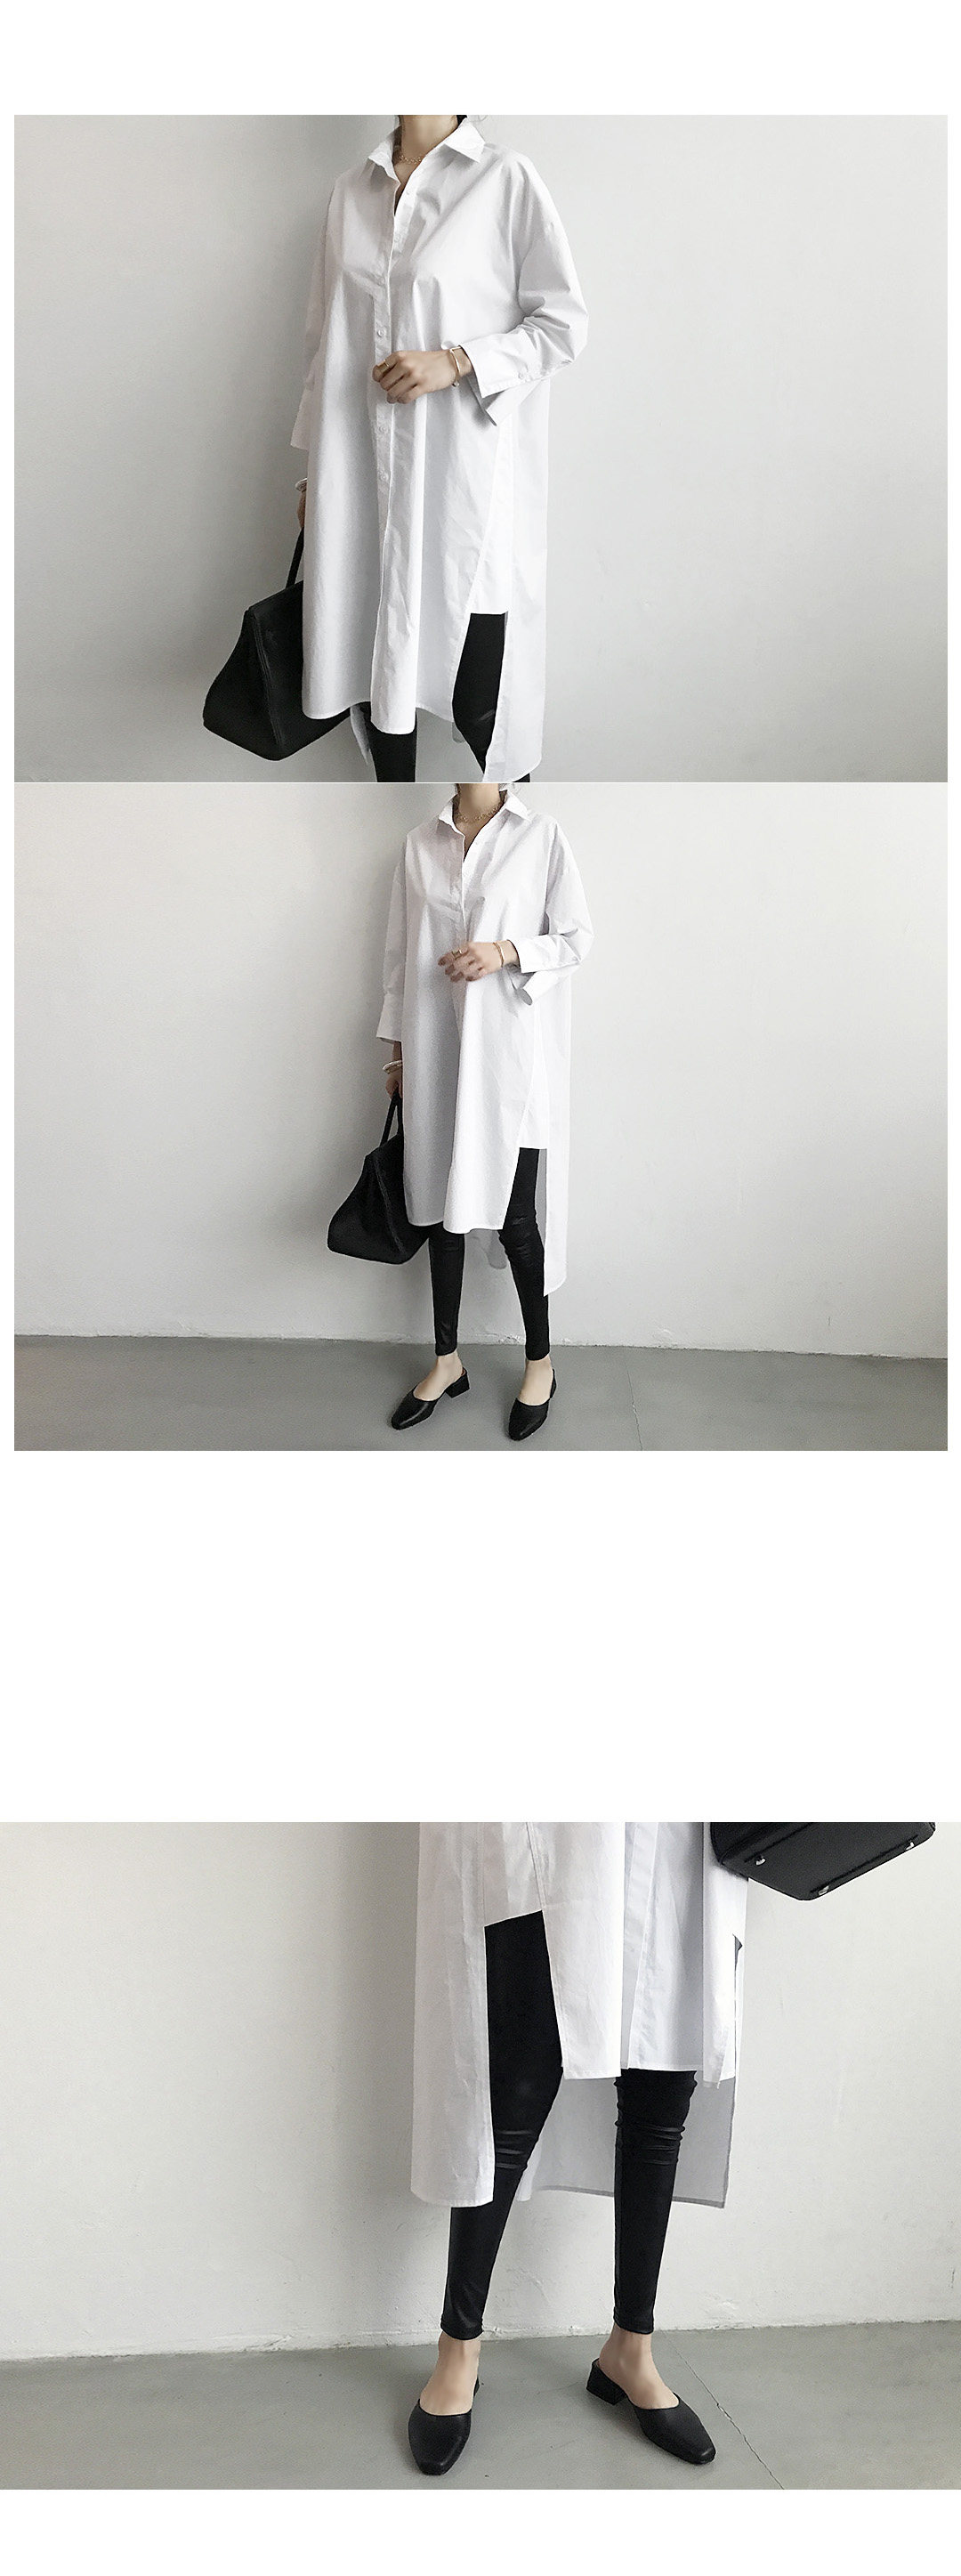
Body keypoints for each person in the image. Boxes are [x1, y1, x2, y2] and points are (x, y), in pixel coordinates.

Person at [407, 1824, 747, 2475]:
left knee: (659, 2095)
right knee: (509, 2097)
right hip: (559, 1833)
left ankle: (631, 2349)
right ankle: (458, 2350)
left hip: (679, 1837)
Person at [292, 117, 586, 782]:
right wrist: (310, 476)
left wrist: (457, 361)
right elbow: (321, 344)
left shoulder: (503, 179)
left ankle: (504, 802)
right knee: (371, 672)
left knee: (481, 687)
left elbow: (563, 325)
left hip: (457, 480)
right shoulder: (350, 191)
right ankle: (385, 801)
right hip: (356, 476)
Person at [377, 785, 592, 1440]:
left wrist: (506, 951)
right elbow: (399, 958)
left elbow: (577, 938)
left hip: (509, 1064)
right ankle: (447, 1361)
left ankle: (540, 1364)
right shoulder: (419, 844)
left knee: (516, 1218)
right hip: (435, 1054)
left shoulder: (540, 835)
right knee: (440, 1215)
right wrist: (396, 1056)